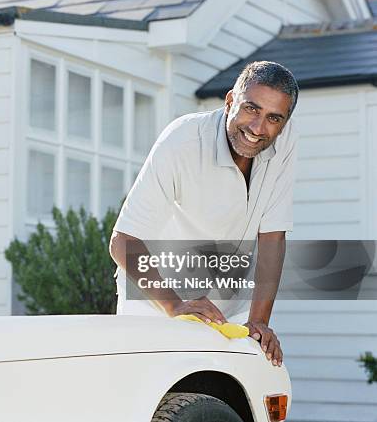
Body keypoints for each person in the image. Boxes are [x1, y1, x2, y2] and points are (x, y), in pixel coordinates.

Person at [109, 61, 299, 367]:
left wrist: (259, 323)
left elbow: (272, 236)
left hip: (227, 306)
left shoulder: (284, 141)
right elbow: (123, 241)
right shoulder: (182, 141)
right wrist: (175, 306)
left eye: (273, 118)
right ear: (229, 101)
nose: (258, 128)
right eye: (251, 108)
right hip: (158, 301)